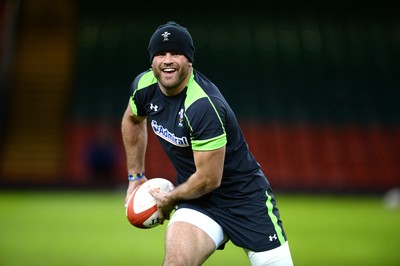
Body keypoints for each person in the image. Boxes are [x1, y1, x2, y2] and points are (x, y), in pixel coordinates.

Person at [121, 21, 294, 266]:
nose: (167, 60)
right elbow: (132, 119)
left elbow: (209, 178)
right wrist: (135, 176)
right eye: (161, 53)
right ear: (151, 60)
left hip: (244, 200)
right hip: (197, 201)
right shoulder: (144, 86)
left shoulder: (202, 105)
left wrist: (170, 198)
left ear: (190, 60)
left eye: (176, 53)